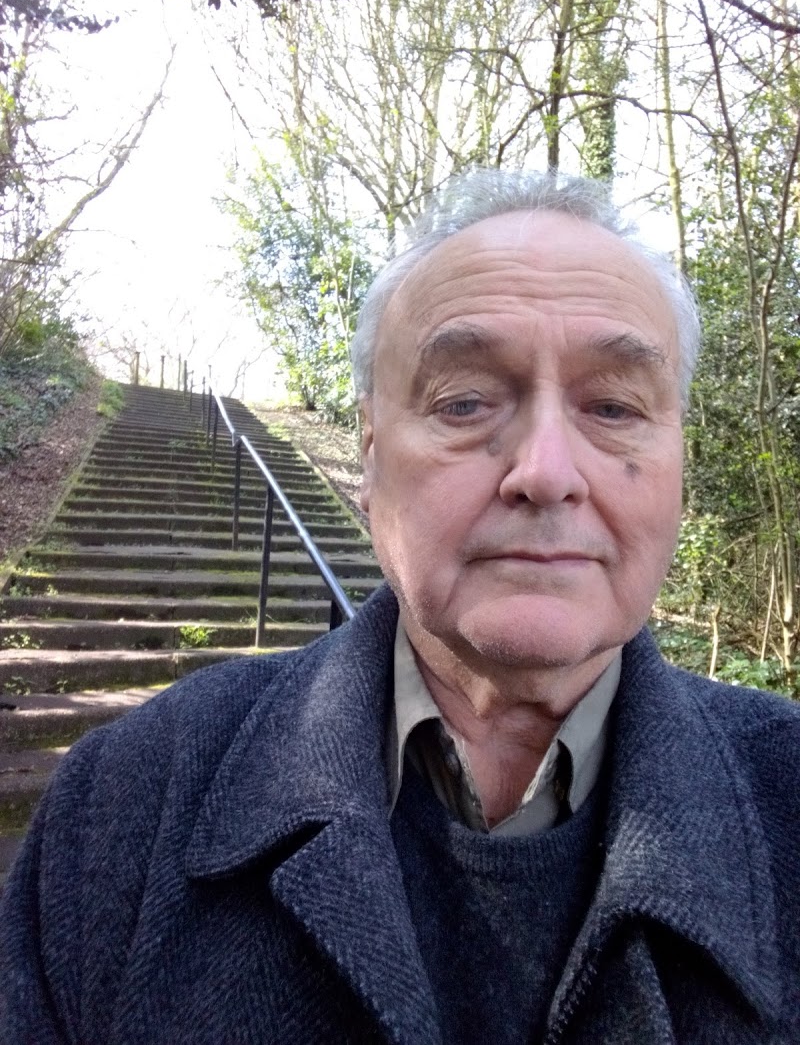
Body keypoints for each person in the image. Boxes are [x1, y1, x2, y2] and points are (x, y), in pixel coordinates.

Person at [2, 170, 799, 1044]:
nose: (545, 472)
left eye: (613, 406)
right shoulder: (122, 806)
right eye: (464, 402)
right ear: (370, 450)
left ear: (680, 459)